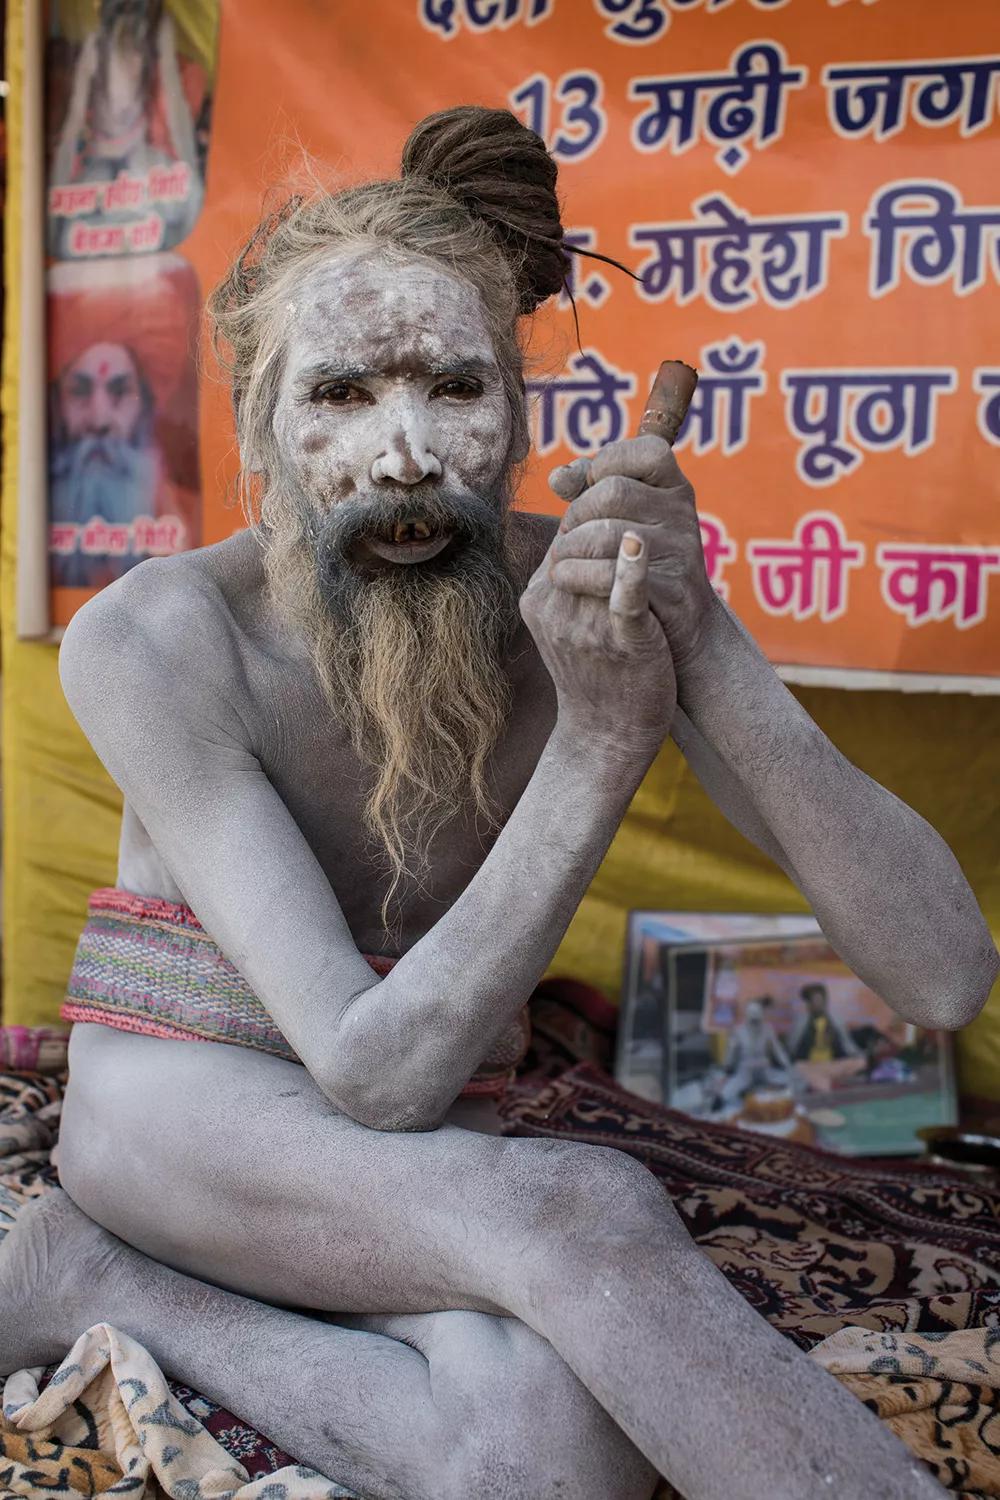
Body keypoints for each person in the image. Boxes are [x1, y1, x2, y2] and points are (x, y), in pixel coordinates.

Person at [3, 107, 995, 1500]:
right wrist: (600, 743)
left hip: (432, 1143)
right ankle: (118, 1234)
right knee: (587, 1210)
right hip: (194, 1108)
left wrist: (698, 633)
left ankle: (117, 1288)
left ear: (520, 416)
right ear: (258, 423)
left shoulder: (587, 593)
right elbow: (374, 1070)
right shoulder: (156, 641)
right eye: (341, 396)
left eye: (453, 390)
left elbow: (944, 972)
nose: (404, 453)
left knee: (555, 1447)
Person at [48, 256, 198, 586]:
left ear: (145, 408)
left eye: (120, 392)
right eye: (79, 391)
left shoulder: (189, 518)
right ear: (57, 404)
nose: (99, 420)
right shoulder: (30, 519)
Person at [48, 0, 204, 258]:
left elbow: (177, 118)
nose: (134, 64)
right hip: (104, 173)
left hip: (139, 169)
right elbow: (72, 130)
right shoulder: (94, 50)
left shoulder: (159, 44)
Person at [713, 997, 794, 1108]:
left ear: (761, 1016)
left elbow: (777, 1049)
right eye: (753, 1020)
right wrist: (727, 1067)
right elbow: (731, 1053)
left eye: (758, 1019)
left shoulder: (767, 1029)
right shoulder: (739, 1031)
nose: (756, 1023)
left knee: (790, 1080)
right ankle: (720, 1103)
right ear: (747, 1016)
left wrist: (787, 1065)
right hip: (746, 1068)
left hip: (764, 1067)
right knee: (729, 1090)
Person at [789, 983, 861, 1063]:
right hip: (808, 1064)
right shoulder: (801, 1022)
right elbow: (792, 1046)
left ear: (824, 1000)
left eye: (818, 1000)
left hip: (832, 1063)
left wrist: (858, 1055)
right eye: (811, 1000)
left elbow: (846, 1043)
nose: (815, 1003)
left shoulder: (836, 1020)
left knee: (859, 1064)